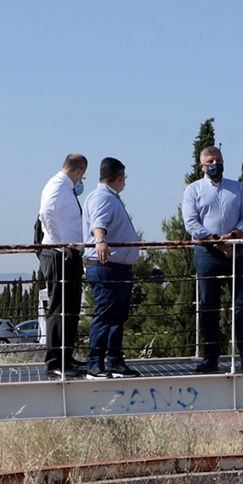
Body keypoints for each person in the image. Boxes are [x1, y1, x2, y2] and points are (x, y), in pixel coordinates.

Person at [183, 146, 243, 373]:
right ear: (202, 166)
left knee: (242, 305)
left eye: (218, 160)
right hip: (206, 254)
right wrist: (215, 241)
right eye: (210, 161)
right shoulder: (193, 190)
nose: (215, 164)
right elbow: (191, 223)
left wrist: (232, 237)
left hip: (235, 251)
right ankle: (211, 358)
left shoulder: (236, 187)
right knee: (209, 307)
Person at [83, 157, 142, 378]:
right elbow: (99, 223)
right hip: (108, 266)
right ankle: (95, 364)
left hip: (118, 268)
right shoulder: (102, 198)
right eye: (124, 178)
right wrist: (100, 240)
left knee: (116, 317)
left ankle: (114, 361)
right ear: (119, 178)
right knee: (106, 315)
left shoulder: (107, 197)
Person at [36, 152, 87, 377]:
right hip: (59, 254)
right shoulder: (57, 184)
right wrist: (60, 244)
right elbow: (46, 212)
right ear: (79, 171)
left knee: (71, 307)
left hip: (71, 253)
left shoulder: (65, 187)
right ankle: (55, 361)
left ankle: (66, 357)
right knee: (60, 307)